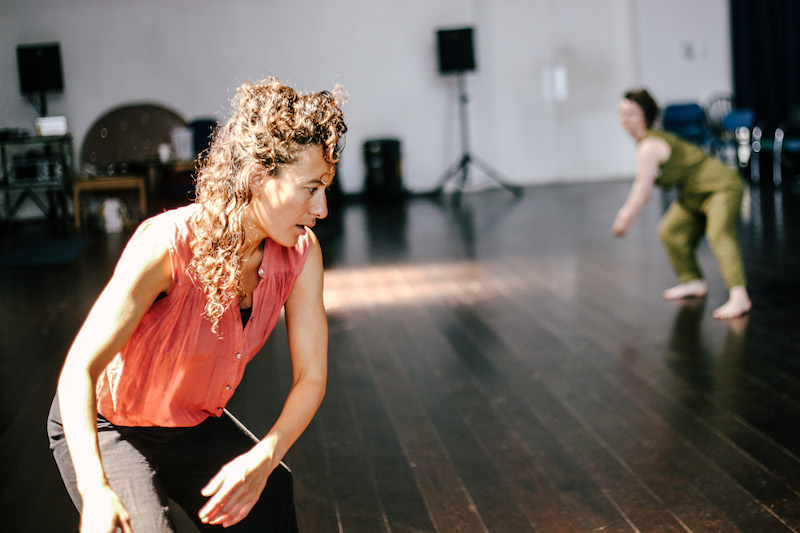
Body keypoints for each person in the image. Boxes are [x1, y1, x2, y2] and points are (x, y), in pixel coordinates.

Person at [47, 78, 347, 532]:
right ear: (257, 178)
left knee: (268, 498)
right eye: (310, 189)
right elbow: (78, 371)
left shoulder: (302, 254)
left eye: (325, 188)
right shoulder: (166, 245)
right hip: (110, 422)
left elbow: (312, 377)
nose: (322, 209)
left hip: (187, 420)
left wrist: (264, 458)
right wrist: (95, 490)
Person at [612, 88, 751, 319]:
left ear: (645, 116)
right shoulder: (646, 142)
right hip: (693, 193)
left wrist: (624, 217)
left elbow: (642, 189)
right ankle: (692, 280)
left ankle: (739, 297)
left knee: (719, 233)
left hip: (721, 187)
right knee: (670, 230)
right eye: (621, 113)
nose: (624, 119)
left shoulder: (649, 146)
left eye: (630, 114)